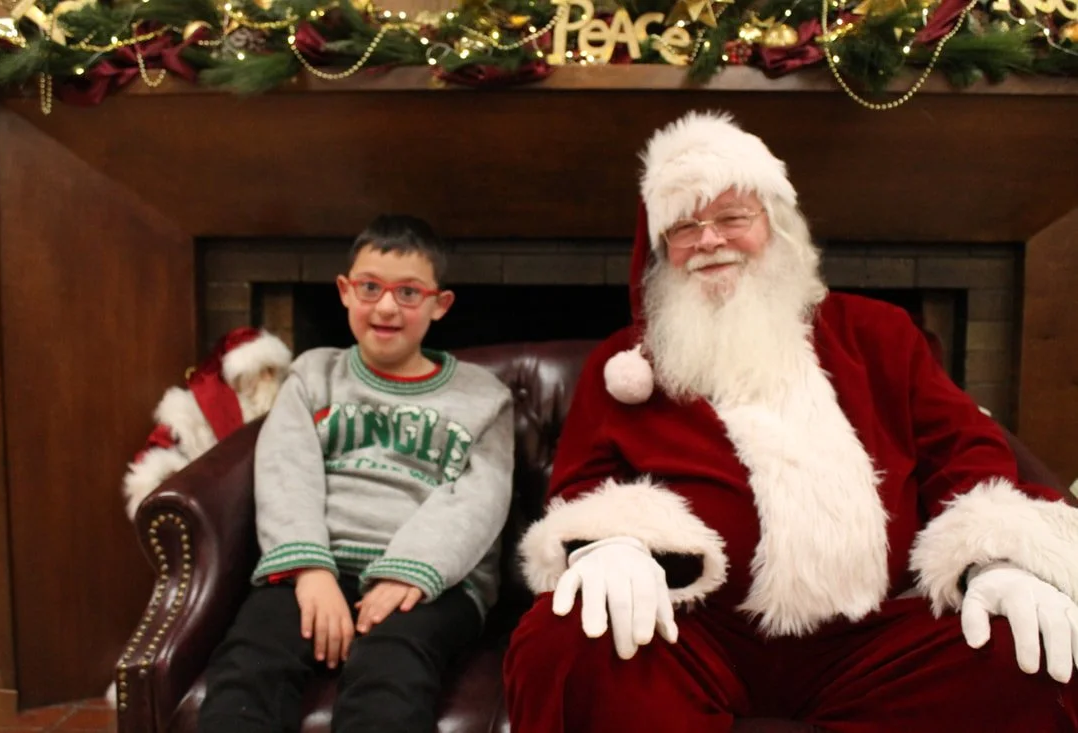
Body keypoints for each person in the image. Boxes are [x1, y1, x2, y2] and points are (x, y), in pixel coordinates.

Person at [503, 111, 1078, 732]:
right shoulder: (624, 368)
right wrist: (610, 545)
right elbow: (581, 485)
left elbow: (966, 452)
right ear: (661, 249)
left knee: (1030, 652)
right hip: (691, 633)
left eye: (731, 217)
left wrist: (994, 562)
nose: (710, 241)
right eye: (685, 226)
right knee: (565, 637)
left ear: (775, 224)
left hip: (874, 638)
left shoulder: (879, 333)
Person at [199, 214, 514, 733]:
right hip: (321, 562)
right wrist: (310, 570)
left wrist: (409, 570)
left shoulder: (484, 397)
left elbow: (479, 499)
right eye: (370, 287)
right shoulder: (312, 375)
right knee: (249, 664)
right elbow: (286, 471)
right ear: (346, 292)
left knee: (390, 675)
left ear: (440, 305)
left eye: (409, 293)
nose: (386, 306)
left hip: (431, 582)